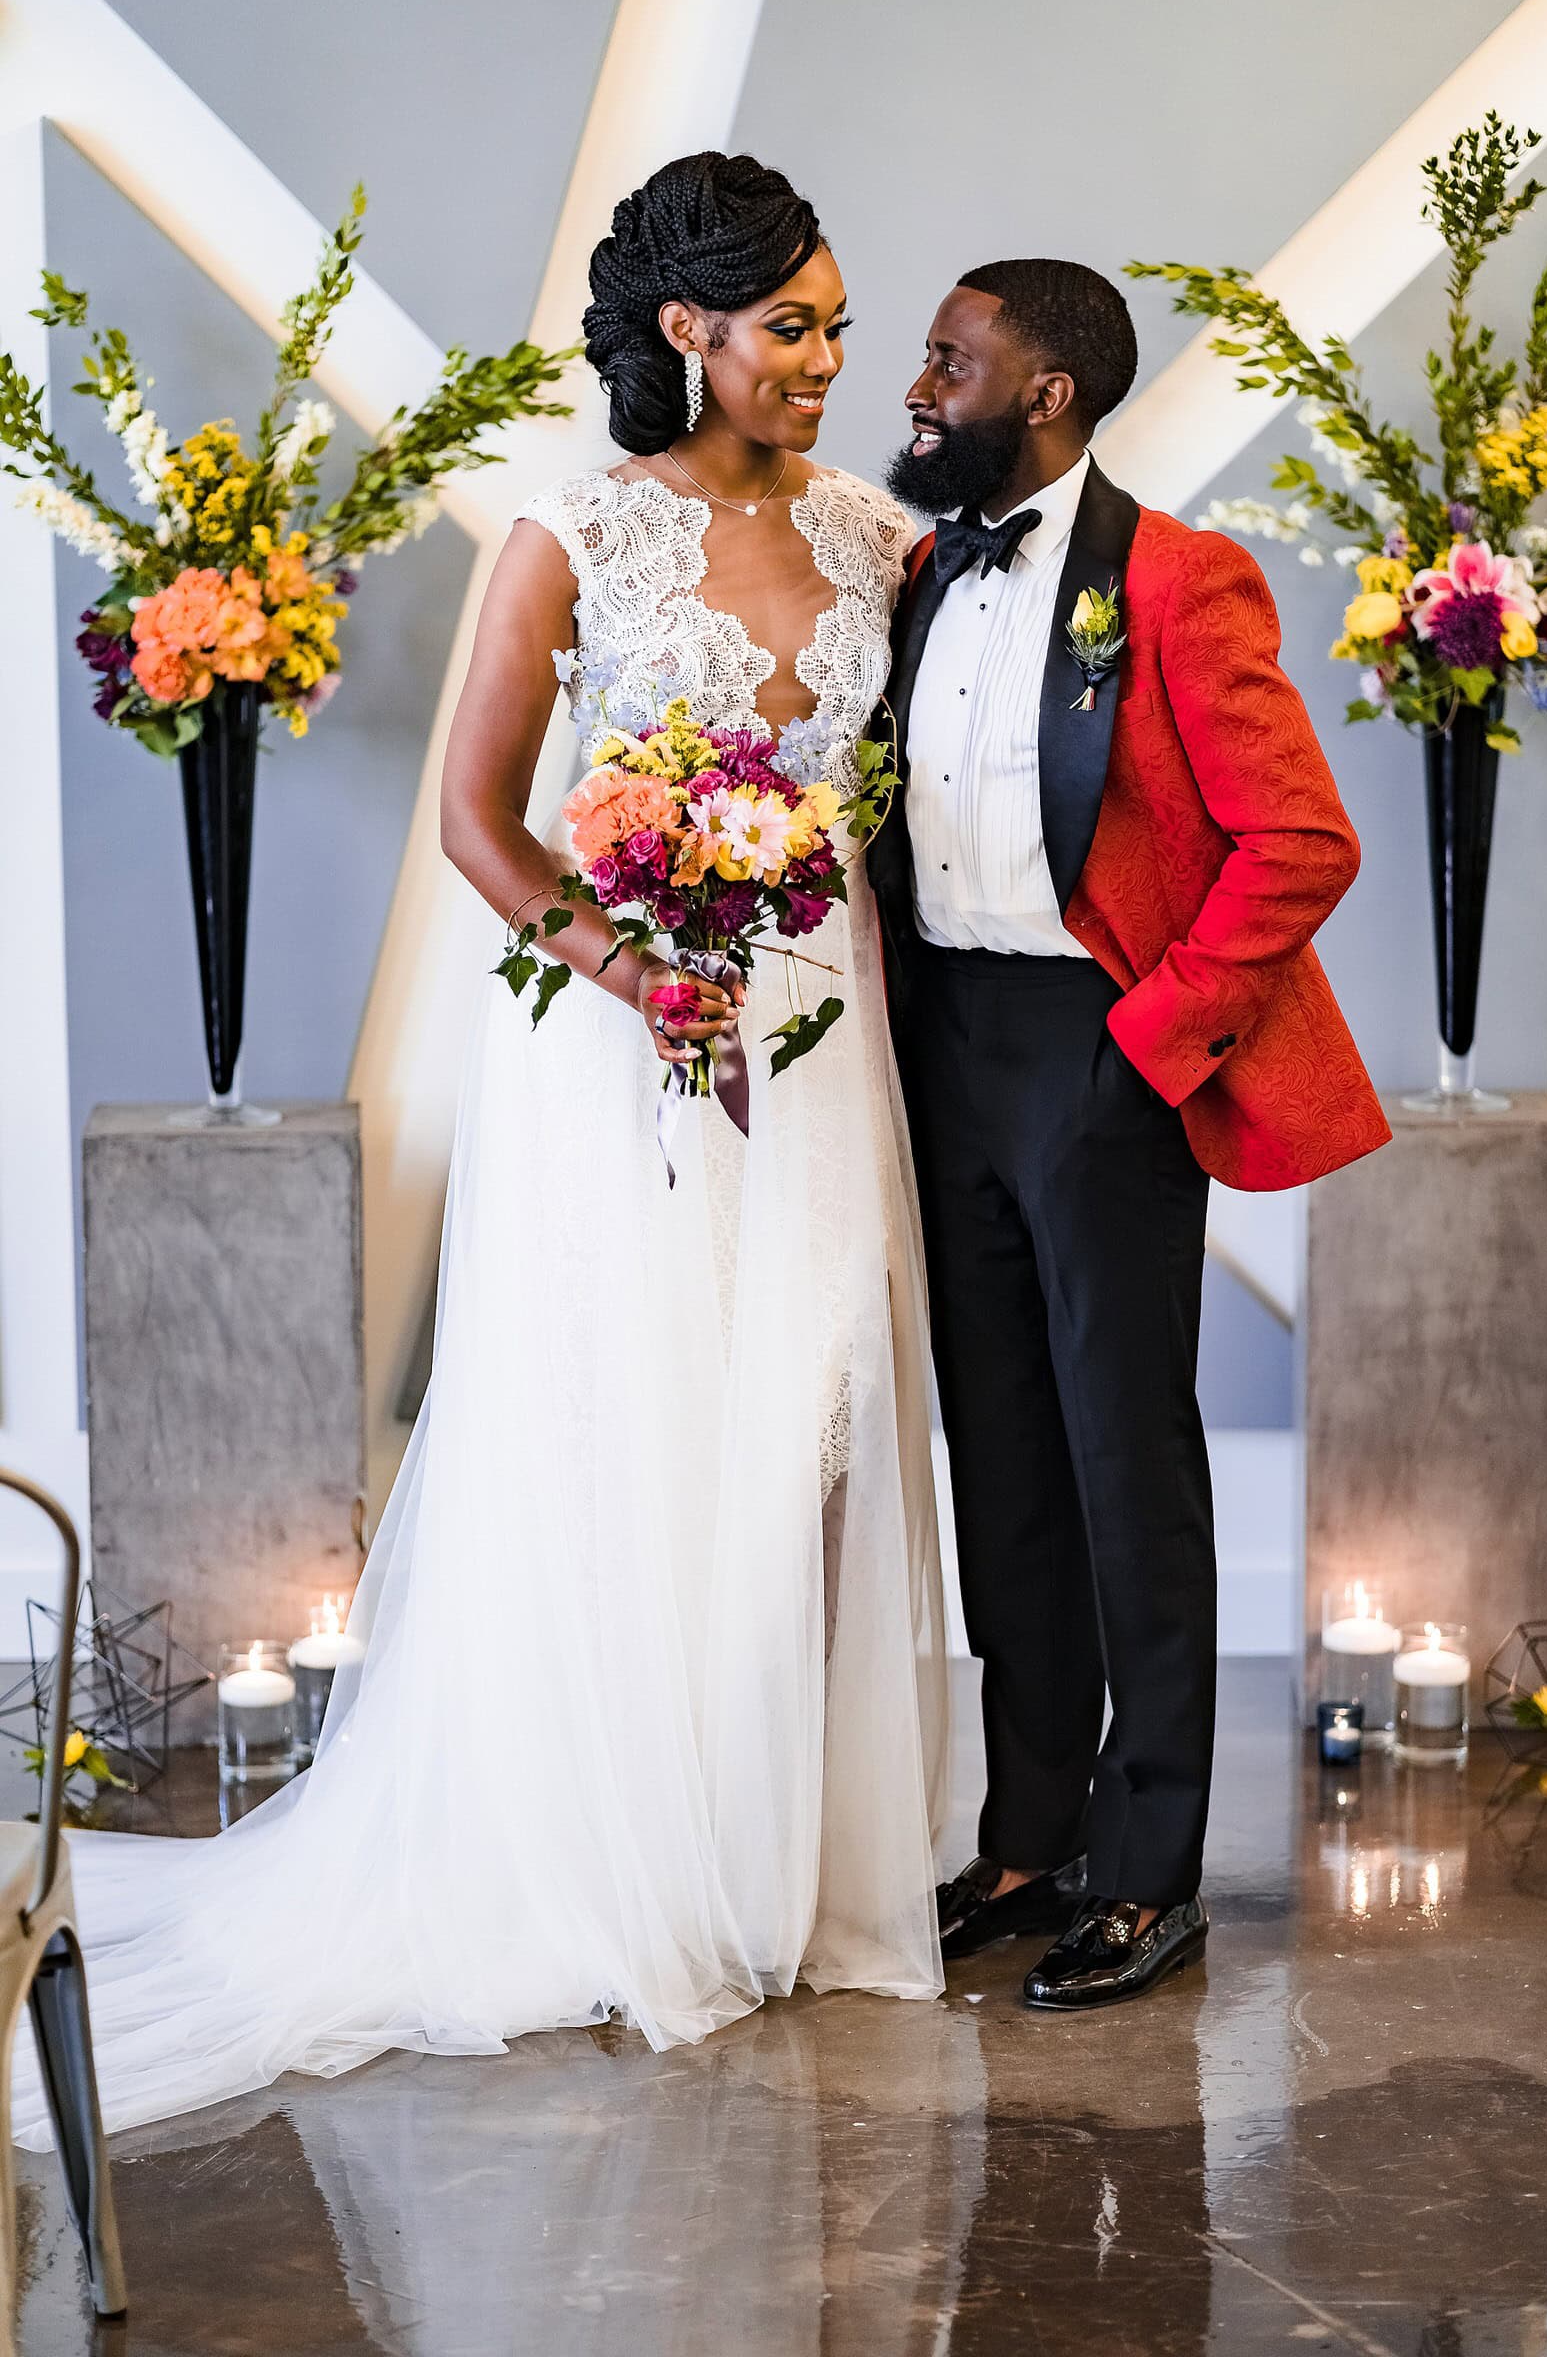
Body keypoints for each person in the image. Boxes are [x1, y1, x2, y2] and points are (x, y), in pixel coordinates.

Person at [14, 153, 947, 2151]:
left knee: (818, 1431)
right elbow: (478, 821)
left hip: (820, 1030)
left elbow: (879, 827)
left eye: (840, 328)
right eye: (794, 327)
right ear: (688, 332)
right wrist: (636, 970)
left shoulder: (878, 537)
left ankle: (778, 1866)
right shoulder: (577, 531)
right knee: (629, 1426)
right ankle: (616, 1865)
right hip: (624, 1052)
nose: (825, 362)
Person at [870, 258, 1389, 2013]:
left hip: (1104, 1055)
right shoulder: (920, 566)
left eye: (953, 360)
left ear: (1051, 393)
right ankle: (1029, 1838)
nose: (919, 382)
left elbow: (1299, 841)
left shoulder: (1177, 579)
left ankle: (1150, 1867)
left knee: (1122, 1455)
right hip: (943, 1043)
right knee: (1001, 1451)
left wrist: (1154, 1039)